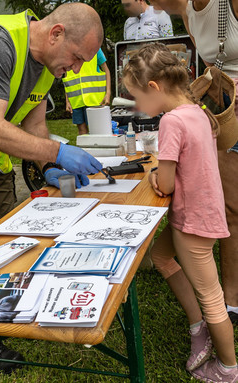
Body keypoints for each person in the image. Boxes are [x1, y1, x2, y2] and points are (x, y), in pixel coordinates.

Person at [0, 2, 103, 372]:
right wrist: (60, 150)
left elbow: (35, 127)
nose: (76, 69)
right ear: (56, 33)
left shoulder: (46, 66)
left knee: (5, 240)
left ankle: (3, 314)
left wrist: (50, 166)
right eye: (77, 58)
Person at [123, 42, 238, 382]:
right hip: (204, 213)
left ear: (154, 88)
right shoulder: (196, 110)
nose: (137, 106)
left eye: (137, 97)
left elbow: (168, 183)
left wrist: (156, 176)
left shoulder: (172, 122)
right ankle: (196, 326)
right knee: (161, 256)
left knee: (212, 297)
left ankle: (229, 369)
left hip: (193, 222)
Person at [149, 0, 238, 325]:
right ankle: (230, 298)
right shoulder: (186, 11)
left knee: (233, 207)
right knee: (231, 206)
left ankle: (228, 300)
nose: (156, 6)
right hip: (223, 108)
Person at [63, 48, 111, 135]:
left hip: (94, 100)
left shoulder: (95, 49)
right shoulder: (68, 51)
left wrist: (108, 93)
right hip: (76, 101)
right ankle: (83, 149)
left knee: (96, 132)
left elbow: (106, 71)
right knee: (82, 131)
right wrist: (67, 101)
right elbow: (67, 80)